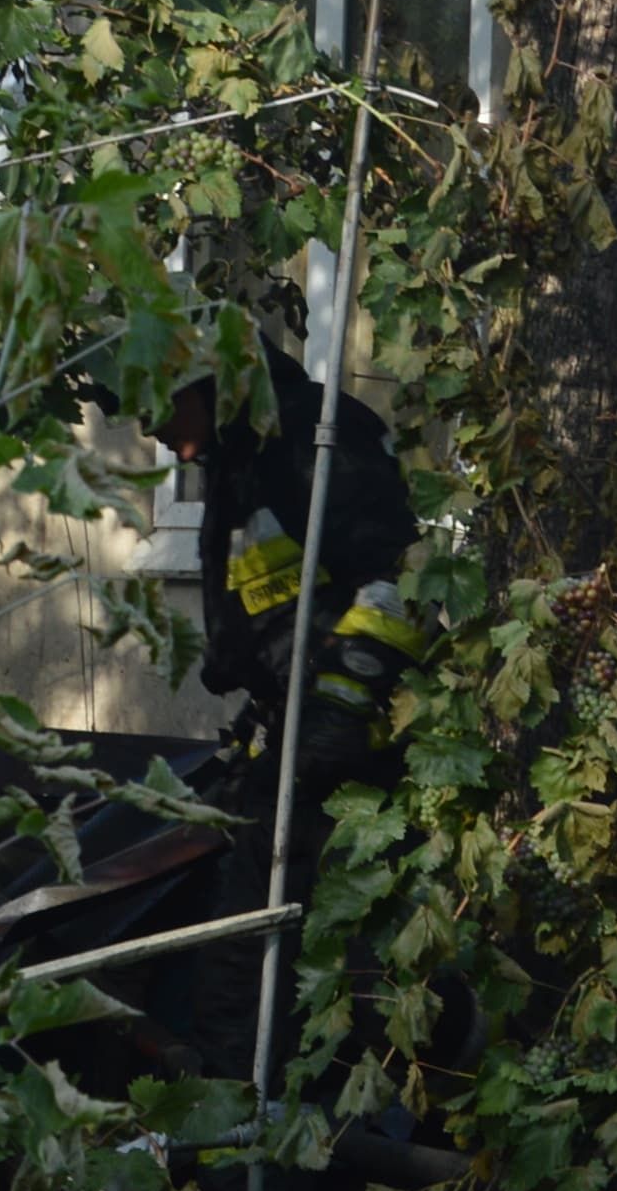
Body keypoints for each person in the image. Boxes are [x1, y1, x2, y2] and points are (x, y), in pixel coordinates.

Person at [151, 342, 429, 1091]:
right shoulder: (237, 460)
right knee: (254, 944)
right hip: (296, 726)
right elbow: (280, 608)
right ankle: (240, 1126)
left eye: (161, 407)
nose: (153, 432)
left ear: (209, 381)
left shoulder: (315, 440)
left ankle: (262, 1123)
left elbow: (394, 579)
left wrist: (339, 708)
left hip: (356, 741)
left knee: (323, 944)